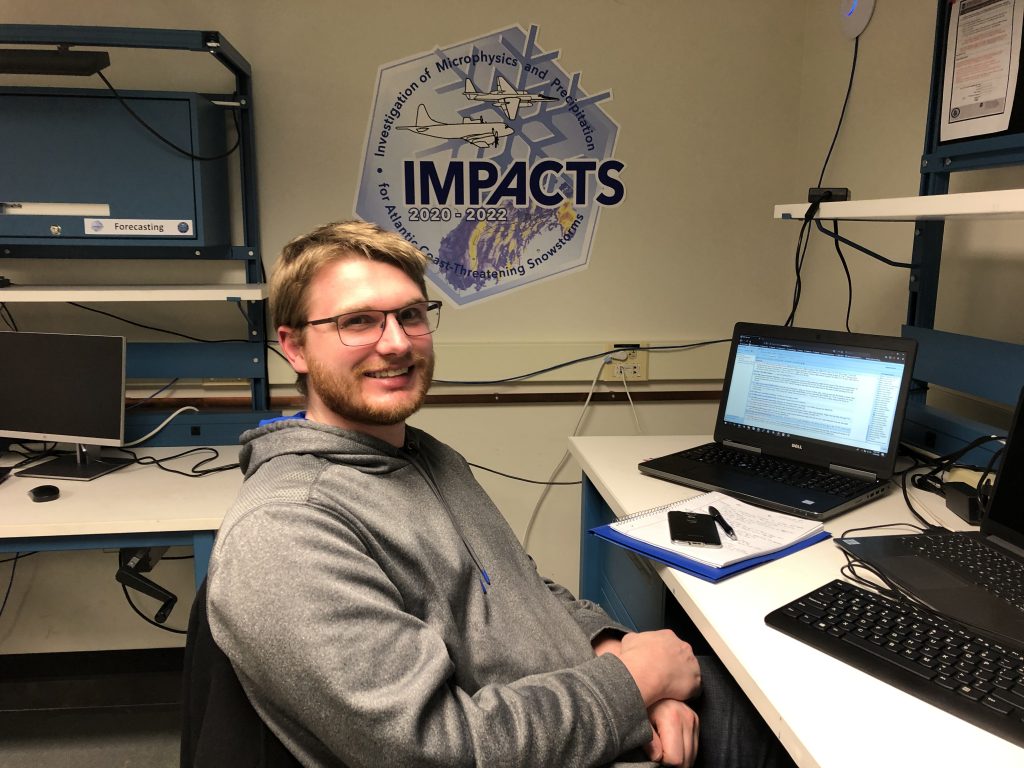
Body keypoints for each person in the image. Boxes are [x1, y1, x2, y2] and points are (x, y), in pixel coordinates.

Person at [207, 220, 794, 768]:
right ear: (294, 346)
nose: (395, 344)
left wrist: (615, 649)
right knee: (803, 732)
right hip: (548, 748)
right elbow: (437, 749)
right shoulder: (287, 532)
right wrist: (634, 687)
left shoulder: (426, 457)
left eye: (411, 314)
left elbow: (524, 589)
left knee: (780, 689)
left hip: (583, 707)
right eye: (357, 322)